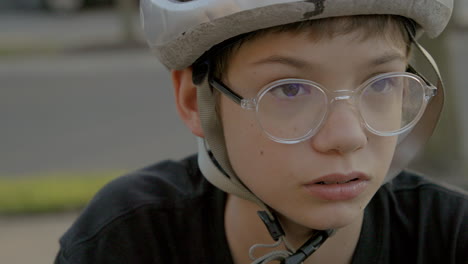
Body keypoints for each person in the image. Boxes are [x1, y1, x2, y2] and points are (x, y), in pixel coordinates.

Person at [55, 0, 467, 263]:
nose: (347, 136)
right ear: (192, 100)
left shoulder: (450, 238)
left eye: (380, 83)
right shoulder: (126, 239)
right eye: (289, 89)